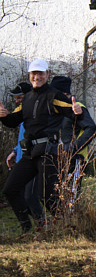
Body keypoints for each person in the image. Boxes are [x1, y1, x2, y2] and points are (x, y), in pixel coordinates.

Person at [0, 59, 83, 233]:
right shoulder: (28, 98)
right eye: (34, 74)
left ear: (47, 75)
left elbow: (71, 111)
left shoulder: (54, 95)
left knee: (45, 195)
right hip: (30, 152)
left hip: (48, 151)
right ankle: (27, 229)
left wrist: (76, 111)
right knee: (11, 189)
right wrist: (3, 116)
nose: (36, 77)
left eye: (40, 73)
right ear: (30, 75)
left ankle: (70, 224)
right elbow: (13, 120)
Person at [50, 76, 96, 208]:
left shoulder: (76, 107)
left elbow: (92, 128)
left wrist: (73, 147)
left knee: (72, 193)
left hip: (75, 157)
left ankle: (73, 223)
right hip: (57, 156)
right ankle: (62, 221)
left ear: (64, 93)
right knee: (57, 192)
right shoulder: (57, 109)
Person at [5, 82, 47, 227]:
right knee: (16, 193)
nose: (17, 100)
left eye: (19, 97)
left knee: (30, 196)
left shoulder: (36, 113)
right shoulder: (22, 114)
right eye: (15, 98)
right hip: (22, 159)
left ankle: (43, 224)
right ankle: (31, 225)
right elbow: (23, 139)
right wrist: (14, 152)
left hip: (34, 158)